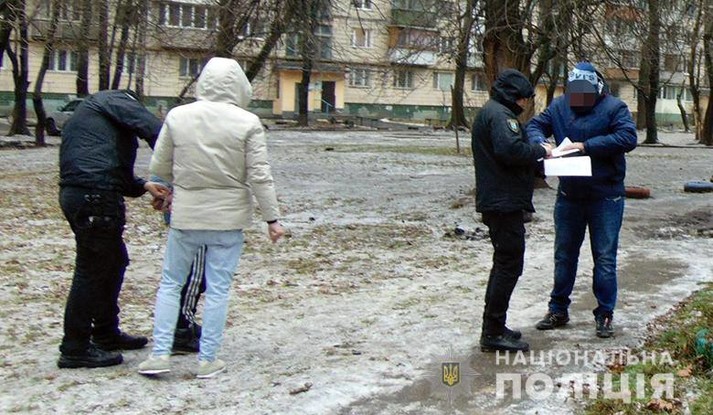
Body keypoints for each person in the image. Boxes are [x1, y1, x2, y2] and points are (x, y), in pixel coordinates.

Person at [138, 57, 285, 379]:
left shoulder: (178, 116)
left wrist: (170, 187)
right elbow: (260, 176)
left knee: (171, 284)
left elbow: (159, 167)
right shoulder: (248, 122)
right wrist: (272, 219)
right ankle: (208, 360)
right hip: (228, 220)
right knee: (218, 289)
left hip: (186, 216)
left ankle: (160, 354)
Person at [57, 90, 169, 368]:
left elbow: (105, 165)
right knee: (91, 269)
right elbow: (157, 131)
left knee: (113, 261)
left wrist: (144, 185)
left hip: (82, 193)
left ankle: (106, 333)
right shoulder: (114, 100)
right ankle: (75, 347)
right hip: (95, 196)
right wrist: (176, 168)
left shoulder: (93, 116)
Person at [526, 61, 637, 338]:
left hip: (606, 196)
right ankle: (558, 309)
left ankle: (605, 313)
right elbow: (535, 125)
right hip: (570, 195)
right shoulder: (560, 106)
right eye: (575, 93)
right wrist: (541, 142)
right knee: (564, 255)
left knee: (605, 258)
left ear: (597, 89)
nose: (579, 100)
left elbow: (628, 137)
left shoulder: (615, 107)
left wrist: (586, 146)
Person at [472, 69, 552, 353]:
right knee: (508, 266)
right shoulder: (501, 116)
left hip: (500, 200)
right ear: (514, 96)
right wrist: (540, 151)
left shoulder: (493, 112)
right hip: (503, 202)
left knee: (504, 264)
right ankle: (492, 332)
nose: (525, 104)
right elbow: (511, 151)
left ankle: (495, 326)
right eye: (524, 98)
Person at [150, 175, 206, 354]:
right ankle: (181, 329)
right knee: (195, 272)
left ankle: (179, 323)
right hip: (192, 208)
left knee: (186, 271)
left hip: (186, 201)